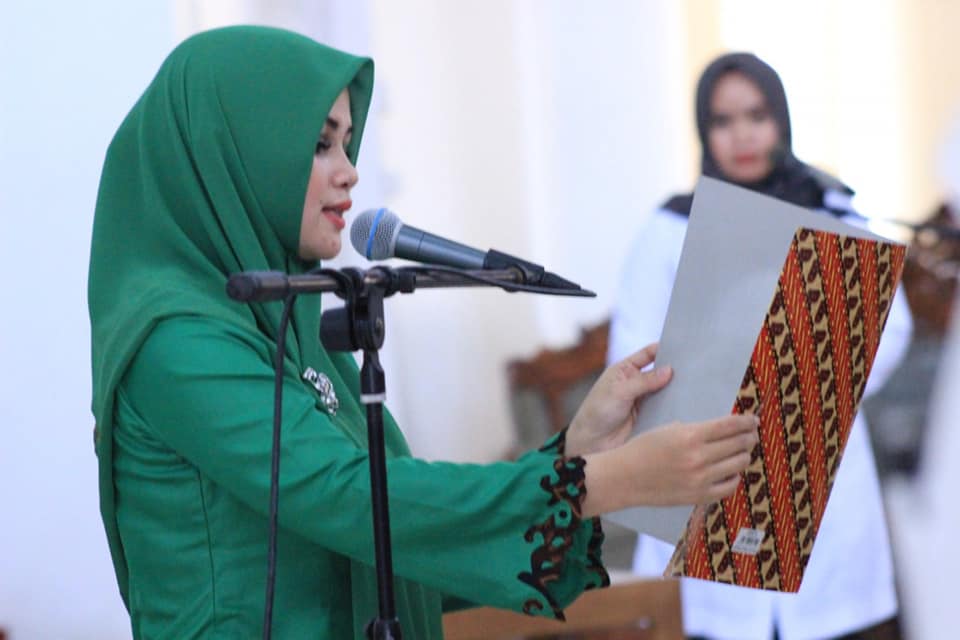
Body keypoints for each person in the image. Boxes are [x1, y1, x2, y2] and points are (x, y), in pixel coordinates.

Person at [88, 27, 759, 639]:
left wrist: (577, 451)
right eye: (320, 144)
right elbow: (350, 497)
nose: (349, 170)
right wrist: (605, 480)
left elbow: (404, 531)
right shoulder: (175, 342)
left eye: (347, 142)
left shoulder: (289, 329)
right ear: (236, 151)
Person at [608, 52, 913, 640]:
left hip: (817, 459)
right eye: (723, 121)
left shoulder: (834, 213)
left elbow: (890, 329)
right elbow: (631, 349)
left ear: (782, 122)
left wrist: (806, 377)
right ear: (703, 131)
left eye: (757, 115)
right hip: (710, 464)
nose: (743, 134)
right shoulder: (670, 227)